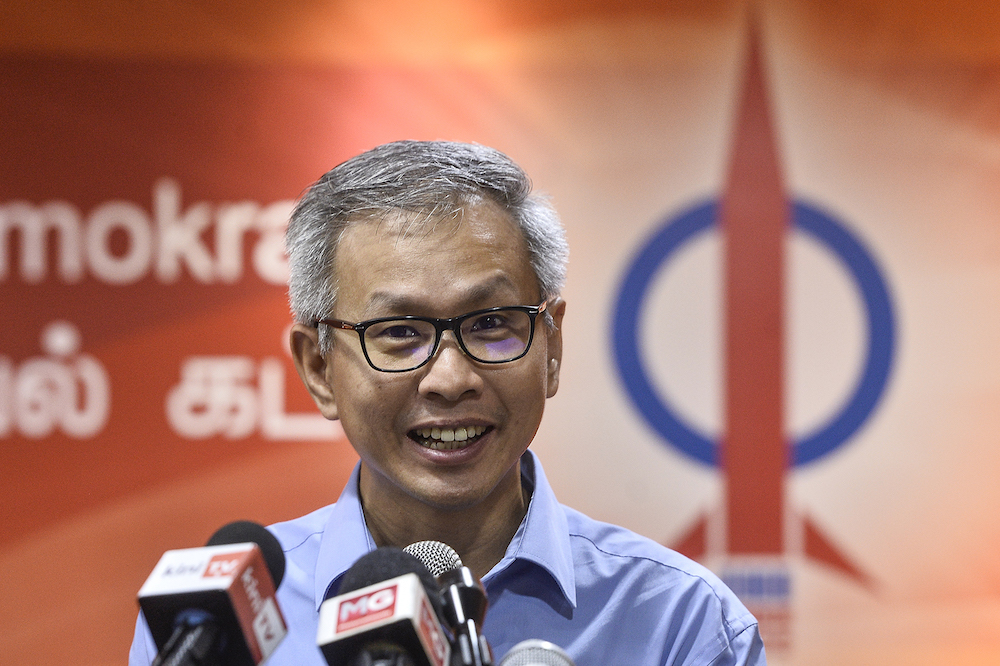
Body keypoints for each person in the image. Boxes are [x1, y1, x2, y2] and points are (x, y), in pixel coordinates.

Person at [129, 140, 765, 665]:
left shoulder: (682, 624)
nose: (451, 378)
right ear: (319, 368)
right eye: (401, 333)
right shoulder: (216, 627)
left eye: (492, 323)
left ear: (552, 346)